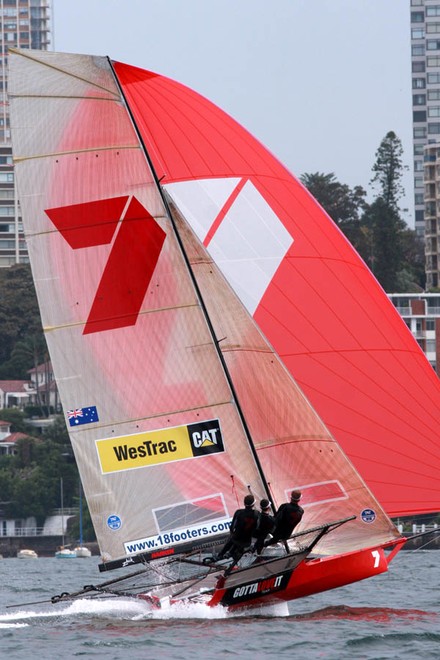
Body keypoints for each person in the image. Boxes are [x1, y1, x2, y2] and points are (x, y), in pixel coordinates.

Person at [216, 494, 259, 568]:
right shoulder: (257, 514)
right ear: (253, 504)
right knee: (239, 543)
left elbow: (232, 527)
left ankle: (220, 555)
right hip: (246, 541)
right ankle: (233, 558)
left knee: (233, 539)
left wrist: (232, 534)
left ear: (244, 503)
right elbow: (257, 528)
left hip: (235, 538)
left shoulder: (239, 512)